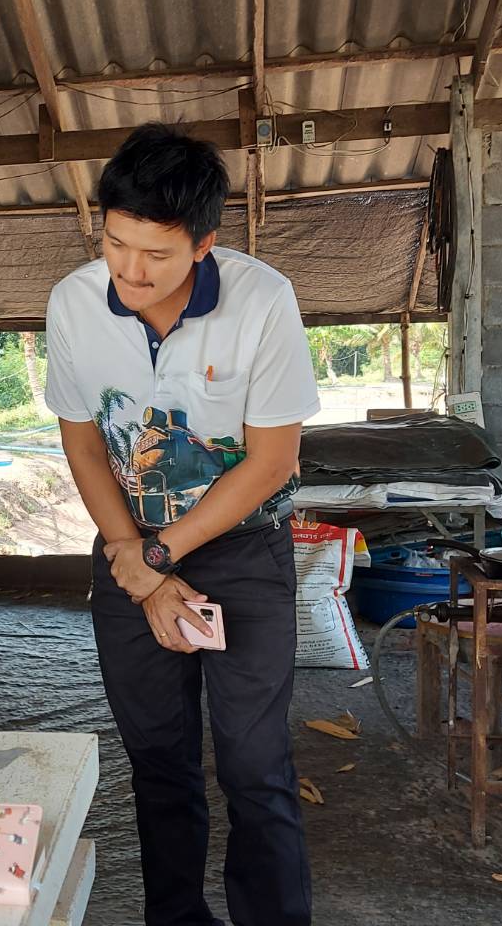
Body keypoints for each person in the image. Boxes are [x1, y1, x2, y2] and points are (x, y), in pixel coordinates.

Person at [43, 123, 320, 926]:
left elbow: (269, 464)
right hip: (129, 549)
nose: (129, 270)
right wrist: (134, 560)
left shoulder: (260, 301)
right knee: (158, 762)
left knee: (252, 761)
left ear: (203, 243)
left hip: (238, 550)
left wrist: (158, 557)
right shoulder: (72, 303)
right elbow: (82, 440)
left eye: (155, 254)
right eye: (114, 243)